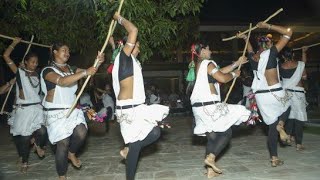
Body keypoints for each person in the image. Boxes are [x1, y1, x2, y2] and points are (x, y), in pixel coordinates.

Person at [111, 12, 169, 180]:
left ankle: (129, 149)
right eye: (137, 45)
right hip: (128, 111)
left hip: (138, 108)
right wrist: (118, 18)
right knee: (137, 143)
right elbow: (133, 30)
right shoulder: (124, 57)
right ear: (127, 46)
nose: (139, 48)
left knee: (155, 133)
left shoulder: (133, 62)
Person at [40, 43, 104, 179]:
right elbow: (62, 82)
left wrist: (98, 62)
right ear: (55, 52)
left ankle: (72, 153)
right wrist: (85, 72)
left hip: (72, 109)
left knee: (82, 132)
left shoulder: (71, 68)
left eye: (69, 51)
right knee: (63, 144)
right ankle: (62, 176)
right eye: (64, 50)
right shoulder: (47, 70)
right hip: (55, 113)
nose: (67, 53)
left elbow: (89, 71)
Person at [190, 43, 250, 178]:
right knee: (226, 132)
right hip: (209, 107)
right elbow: (222, 77)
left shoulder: (199, 65)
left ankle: (210, 171)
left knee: (213, 137)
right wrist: (234, 74)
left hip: (200, 108)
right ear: (203, 51)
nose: (210, 51)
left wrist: (236, 64)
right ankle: (211, 158)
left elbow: (219, 71)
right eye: (208, 48)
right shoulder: (207, 63)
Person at [237, 22, 293, 167]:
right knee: (287, 105)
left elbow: (249, 51)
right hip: (275, 92)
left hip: (261, 97)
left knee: (271, 128)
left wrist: (244, 38)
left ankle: (274, 158)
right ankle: (281, 124)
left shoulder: (255, 58)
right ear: (268, 43)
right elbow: (288, 32)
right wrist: (268, 26)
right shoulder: (272, 52)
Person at [2, 37, 47, 172]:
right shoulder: (19, 73)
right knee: (24, 138)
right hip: (24, 110)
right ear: (26, 62)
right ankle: (25, 161)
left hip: (37, 109)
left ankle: (38, 145)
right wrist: (14, 43)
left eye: (36, 62)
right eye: (32, 62)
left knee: (43, 132)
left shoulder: (39, 74)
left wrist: (51, 51)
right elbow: (5, 56)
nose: (34, 64)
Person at [280, 46, 308, 151]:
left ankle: (288, 137)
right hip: (298, 94)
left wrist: (303, 53)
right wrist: (304, 53)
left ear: (283, 56)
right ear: (293, 54)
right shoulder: (300, 65)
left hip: (286, 94)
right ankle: (299, 144)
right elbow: (304, 76)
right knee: (299, 118)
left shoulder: (281, 66)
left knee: (289, 116)